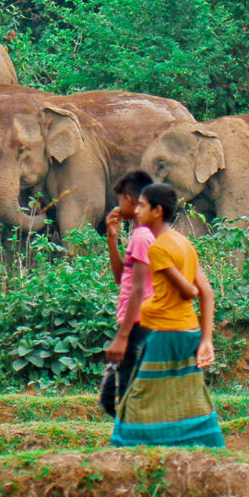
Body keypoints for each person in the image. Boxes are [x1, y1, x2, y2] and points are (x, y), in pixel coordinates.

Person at [110, 183, 225, 448]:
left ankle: (124, 449)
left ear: (157, 211)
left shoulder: (158, 249)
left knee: (139, 397)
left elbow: (190, 291)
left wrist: (122, 337)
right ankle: (208, 445)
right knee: (191, 394)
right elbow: (208, 292)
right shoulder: (183, 242)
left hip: (165, 333)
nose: (136, 211)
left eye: (142, 206)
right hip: (188, 331)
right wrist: (206, 339)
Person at [99, 170, 155, 417]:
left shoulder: (143, 236)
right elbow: (122, 279)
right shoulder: (137, 236)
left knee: (123, 394)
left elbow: (138, 289)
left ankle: (133, 443)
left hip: (138, 323)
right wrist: (112, 239)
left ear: (131, 201)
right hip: (133, 321)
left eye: (121, 199)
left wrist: (122, 337)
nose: (118, 205)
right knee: (116, 394)